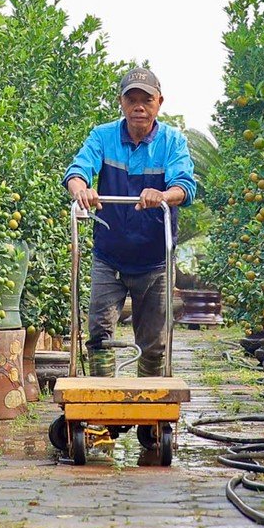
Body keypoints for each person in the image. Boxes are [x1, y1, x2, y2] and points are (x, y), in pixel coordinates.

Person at [63, 66, 197, 379]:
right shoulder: (103, 136)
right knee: (98, 335)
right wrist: (81, 189)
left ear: (159, 102)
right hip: (109, 257)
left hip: (154, 262)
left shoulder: (172, 142)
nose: (139, 106)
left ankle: (150, 410)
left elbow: (185, 187)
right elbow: (78, 169)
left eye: (146, 99)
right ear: (121, 103)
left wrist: (162, 194)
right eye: (131, 99)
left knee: (153, 343)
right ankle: (101, 407)